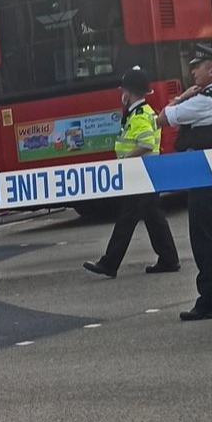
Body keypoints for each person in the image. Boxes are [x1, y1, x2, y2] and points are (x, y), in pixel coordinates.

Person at [156, 44, 212, 321]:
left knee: (205, 240)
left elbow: (162, 119)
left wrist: (181, 98)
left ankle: (209, 301)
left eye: (197, 66)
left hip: (204, 178)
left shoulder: (203, 101)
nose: (193, 71)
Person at [83, 67, 180, 278]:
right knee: (153, 216)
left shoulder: (138, 116)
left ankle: (109, 263)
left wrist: (126, 160)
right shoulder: (143, 112)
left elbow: (146, 143)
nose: (121, 95)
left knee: (126, 219)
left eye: (123, 91)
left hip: (141, 173)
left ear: (128, 92)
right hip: (147, 172)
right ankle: (169, 258)